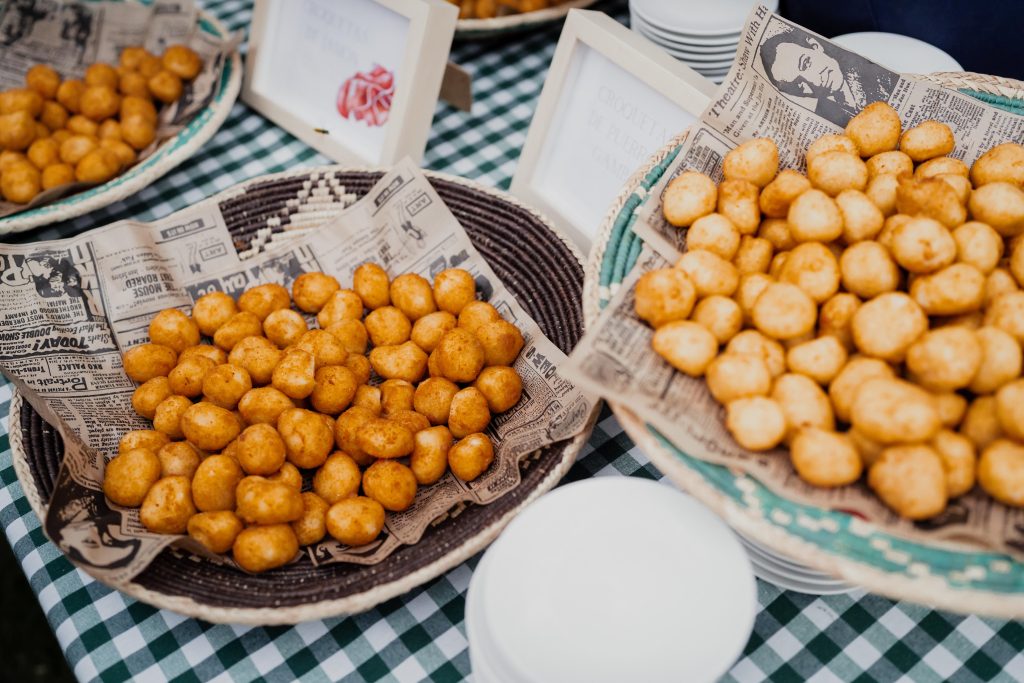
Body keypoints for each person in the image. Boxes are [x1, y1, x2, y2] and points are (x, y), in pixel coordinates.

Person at [758, 25, 897, 126]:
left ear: (815, 46)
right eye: (798, 86)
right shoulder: (821, 117)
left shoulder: (880, 73)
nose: (813, 81)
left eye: (806, 63)